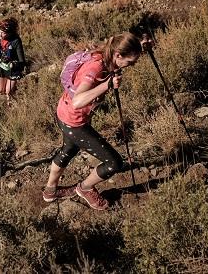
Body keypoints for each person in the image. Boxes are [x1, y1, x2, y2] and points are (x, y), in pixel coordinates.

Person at [42, 32, 150, 210]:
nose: (132, 65)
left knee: (68, 149)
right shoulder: (96, 69)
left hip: (64, 112)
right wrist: (106, 85)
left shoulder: (108, 52)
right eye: (130, 62)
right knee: (114, 163)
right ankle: (85, 188)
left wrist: (141, 44)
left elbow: (124, 46)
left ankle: (50, 191)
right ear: (118, 55)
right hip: (74, 120)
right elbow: (78, 101)